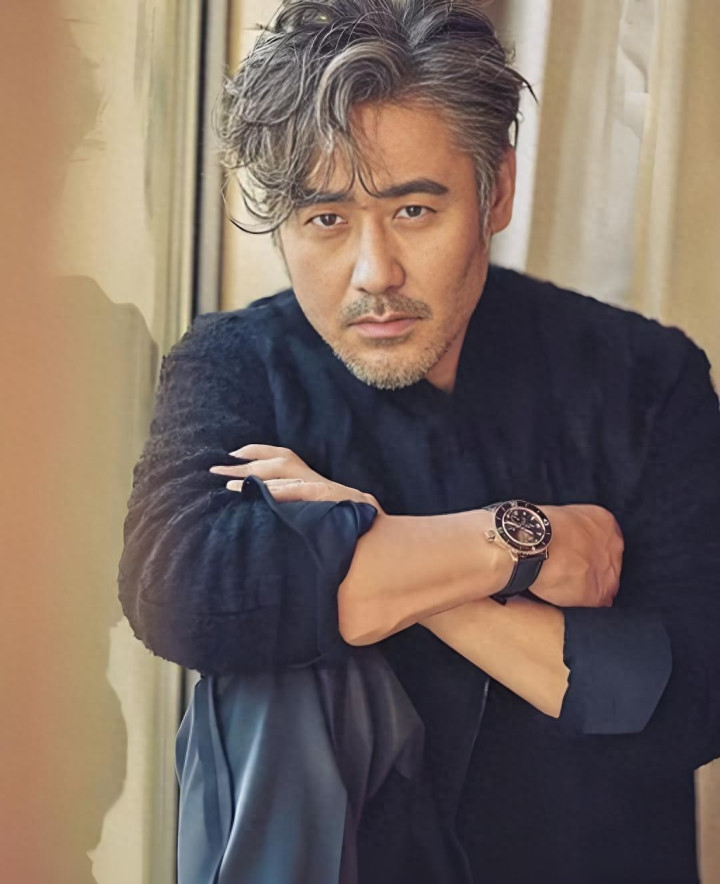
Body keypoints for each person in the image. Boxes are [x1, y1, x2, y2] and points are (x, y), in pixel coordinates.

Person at [118, 0, 720, 881]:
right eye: (326, 220)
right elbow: (182, 591)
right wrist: (519, 545)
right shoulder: (237, 363)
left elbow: (687, 705)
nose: (375, 274)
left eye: (411, 210)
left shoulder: (644, 377)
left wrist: (355, 547)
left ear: (496, 191)